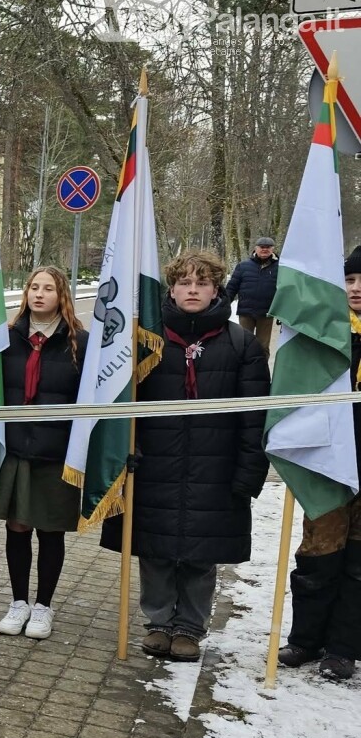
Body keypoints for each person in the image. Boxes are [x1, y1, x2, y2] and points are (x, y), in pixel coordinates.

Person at [102, 250, 269, 662]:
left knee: (201, 553)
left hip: (215, 467)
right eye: (184, 283)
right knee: (155, 547)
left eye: (202, 283)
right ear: (171, 289)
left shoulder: (241, 344)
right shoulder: (146, 341)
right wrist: (126, 452)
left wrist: (248, 473)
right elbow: (123, 406)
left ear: (216, 289)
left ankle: (190, 627)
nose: (192, 290)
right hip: (156, 463)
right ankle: (158, 621)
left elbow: (255, 418)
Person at [0, 266, 89, 640]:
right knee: (17, 527)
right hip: (16, 450)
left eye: (48, 288)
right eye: (34, 287)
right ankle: (19, 602)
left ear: (60, 294)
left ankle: (44, 606)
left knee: (50, 530)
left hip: (56, 453)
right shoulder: (6, 339)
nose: (39, 294)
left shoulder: (79, 342)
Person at [278, 245, 361, 681]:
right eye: (349, 280)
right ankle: (306, 640)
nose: (356, 288)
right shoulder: (321, 334)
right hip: (327, 465)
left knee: (358, 563)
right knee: (319, 556)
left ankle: (344, 648)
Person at [224, 236, 280, 356]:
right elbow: (232, 287)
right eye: (262, 247)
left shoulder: (280, 267)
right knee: (243, 343)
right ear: (256, 248)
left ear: (273, 249)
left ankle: (261, 372)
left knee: (263, 346)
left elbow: (284, 290)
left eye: (268, 247)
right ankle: (243, 370)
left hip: (266, 313)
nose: (264, 249)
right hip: (246, 312)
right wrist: (223, 305)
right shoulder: (243, 266)